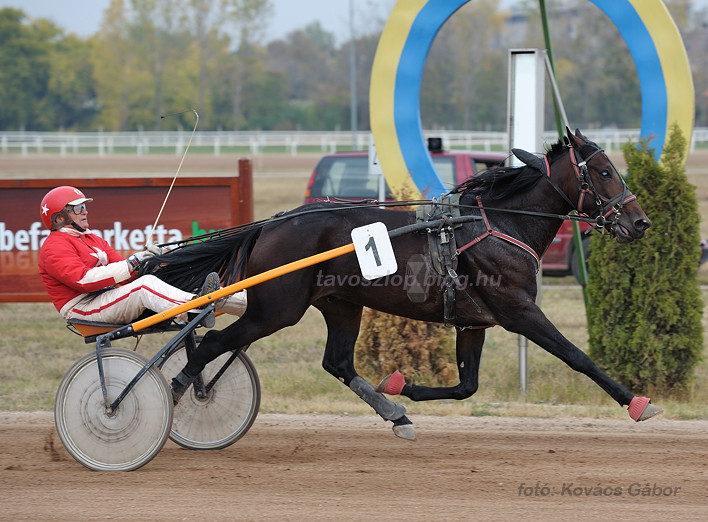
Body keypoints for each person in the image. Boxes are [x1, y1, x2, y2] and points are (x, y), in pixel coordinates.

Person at [38, 185, 246, 325]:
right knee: (144, 286)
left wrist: (150, 259)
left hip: (105, 297)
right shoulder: (53, 247)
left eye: (84, 207)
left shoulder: (92, 239)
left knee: (178, 280)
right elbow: (83, 280)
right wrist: (134, 262)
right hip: (83, 307)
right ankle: (195, 307)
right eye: (78, 208)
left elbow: (125, 270)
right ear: (59, 218)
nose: (85, 212)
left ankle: (250, 305)